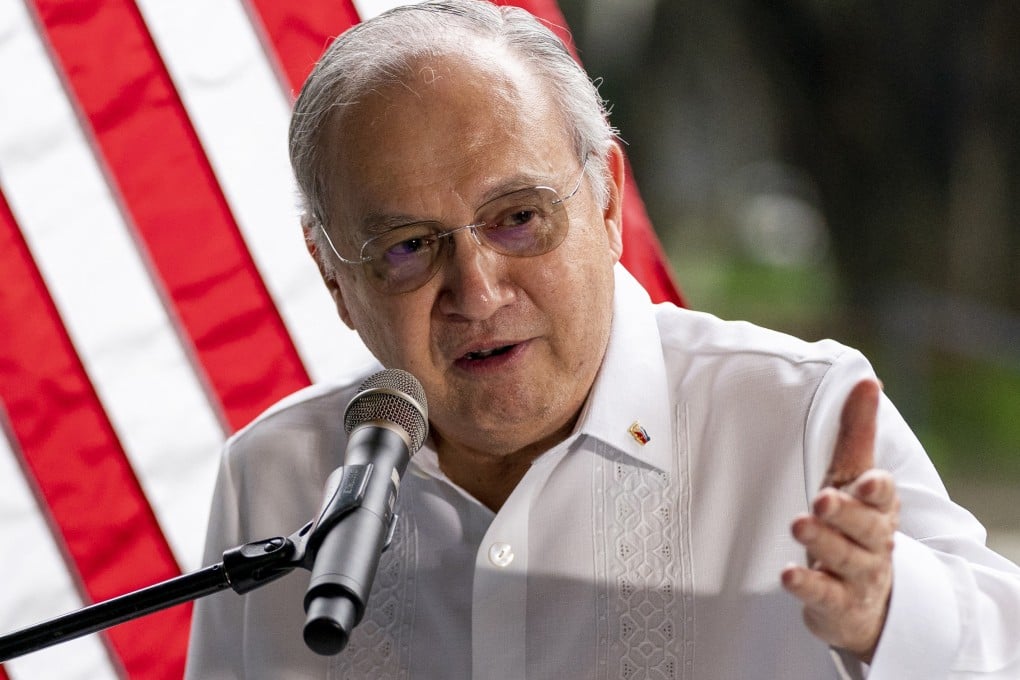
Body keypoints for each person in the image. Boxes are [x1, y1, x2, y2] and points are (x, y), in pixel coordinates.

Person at [185, 1, 1020, 678]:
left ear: (610, 202)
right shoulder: (277, 474)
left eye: (518, 219)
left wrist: (889, 613)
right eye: (408, 247)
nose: (476, 290)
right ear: (333, 277)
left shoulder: (798, 417)